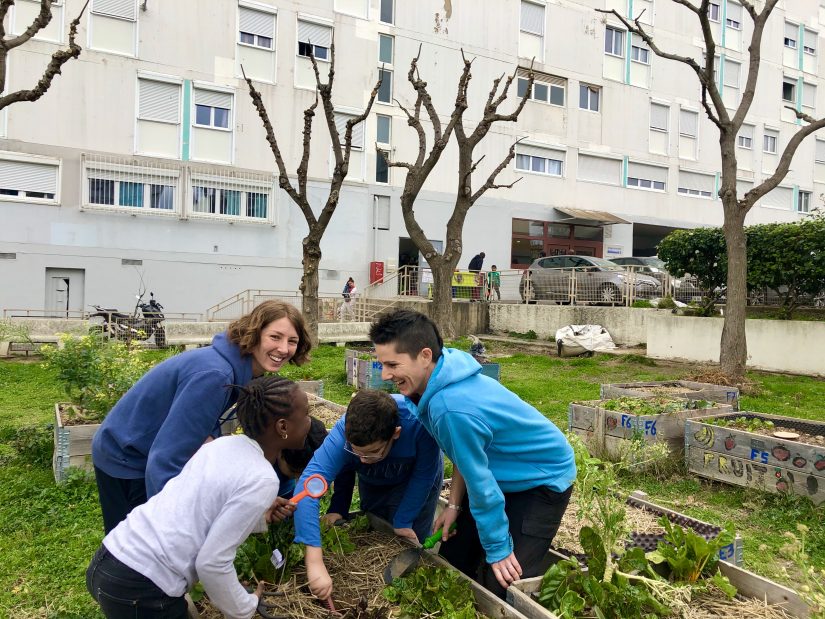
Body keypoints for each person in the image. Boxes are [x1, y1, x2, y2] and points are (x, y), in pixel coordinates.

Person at [370, 310, 576, 599]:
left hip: (541, 478)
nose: (385, 375)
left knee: (503, 586)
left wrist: (498, 549)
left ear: (425, 356)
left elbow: (480, 482)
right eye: (381, 364)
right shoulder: (440, 376)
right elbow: (464, 455)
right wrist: (453, 505)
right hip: (500, 469)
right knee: (456, 563)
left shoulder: (449, 407)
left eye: (392, 364)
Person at [86, 375, 313, 619]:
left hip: (111, 560)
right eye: (306, 414)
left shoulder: (223, 445)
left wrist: (259, 514)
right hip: (143, 586)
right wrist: (245, 606)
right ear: (283, 427)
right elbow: (212, 564)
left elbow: (203, 507)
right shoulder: (263, 478)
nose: (310, 420)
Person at [92, 300, 312, 533]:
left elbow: (201, 437)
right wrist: (172, 532)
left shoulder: (240, 369)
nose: (283, 348)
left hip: (142, 446)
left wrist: (253, 500)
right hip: (127, 455)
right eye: (275, 337)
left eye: (292, 341)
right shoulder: (216, 375)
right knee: (132, 552)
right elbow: (166, 460)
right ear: (255, 333)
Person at [293, 389, 443, 602]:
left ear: (396, 434)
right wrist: (315, 561)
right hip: (374, 480)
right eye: (357, 452)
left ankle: (405, 593)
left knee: (408, 538)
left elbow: (423, 477)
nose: (363, 460)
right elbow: (307, 489)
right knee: (375, 524)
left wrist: (404, 521)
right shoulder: (343, 433)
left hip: (414, 479)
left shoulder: (419, 424)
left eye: (373, 452)